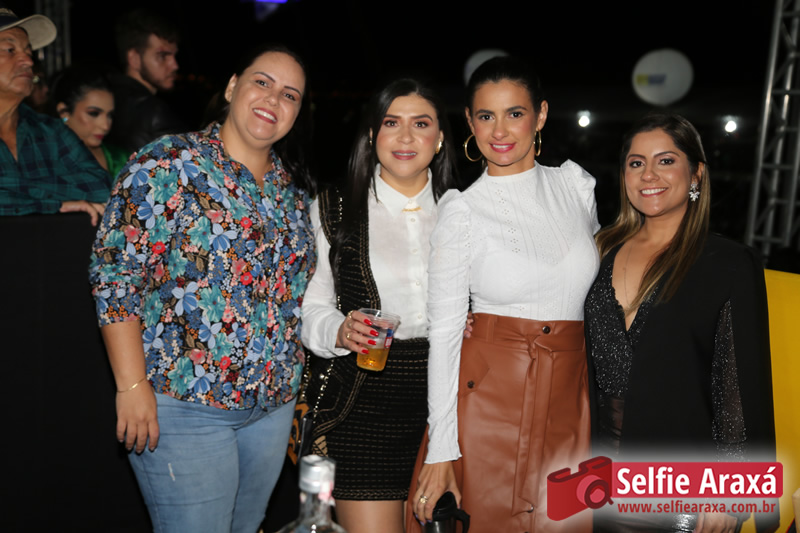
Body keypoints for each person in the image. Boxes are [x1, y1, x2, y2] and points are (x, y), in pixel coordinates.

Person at [89, 43, 317, 533]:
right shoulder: (169, 162)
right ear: (233, 87)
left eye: (290, 95)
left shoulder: (294, 190)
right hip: (184, 403)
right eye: (262, 82)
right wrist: (131, 386)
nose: (273, 99)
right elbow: (116, 275)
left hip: (272, 406)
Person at [409, 56, 600, 532]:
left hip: (569, 400)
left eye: (515, 113)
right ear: (469, 122)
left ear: (541, 115)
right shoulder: (462, 211)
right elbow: (445, 335)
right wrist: (442, 449)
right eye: (485, 116)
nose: (500, 130)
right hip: (490, 404)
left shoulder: (575, 186)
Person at [584, 113, 778, 532]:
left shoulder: (727, 264)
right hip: (592, 485)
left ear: (697, 173)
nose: (648, 174)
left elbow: (737, 387)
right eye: (636, 163)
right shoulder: (597, 252)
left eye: (666, 161)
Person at [300, 78, 457, 533]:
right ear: (372, 135)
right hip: (363, 407)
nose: (406, 137)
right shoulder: (334, 208)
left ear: (440, 138)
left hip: (451, 408)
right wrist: (339, 329)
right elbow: (310, 308)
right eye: (392, 123)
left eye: (421, 124)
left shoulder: (464, 210)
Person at [0, 7, 110, 224]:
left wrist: (13, 189)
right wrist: (54, 204)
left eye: (29, 52)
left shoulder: (50, 130)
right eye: (9, 49)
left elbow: (102, 188)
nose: (28, 61)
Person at [106, 8, 185, 154]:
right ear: (134, 58)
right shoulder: (155, 112)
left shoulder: (106, 99)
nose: (175, 65)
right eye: (162, 56)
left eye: (174, 55)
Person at [51, 65, 128, 180]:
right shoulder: (44, 160)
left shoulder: (120, 159)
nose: (105, 126)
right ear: (64, 112)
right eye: (94, 113)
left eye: (110, 115)